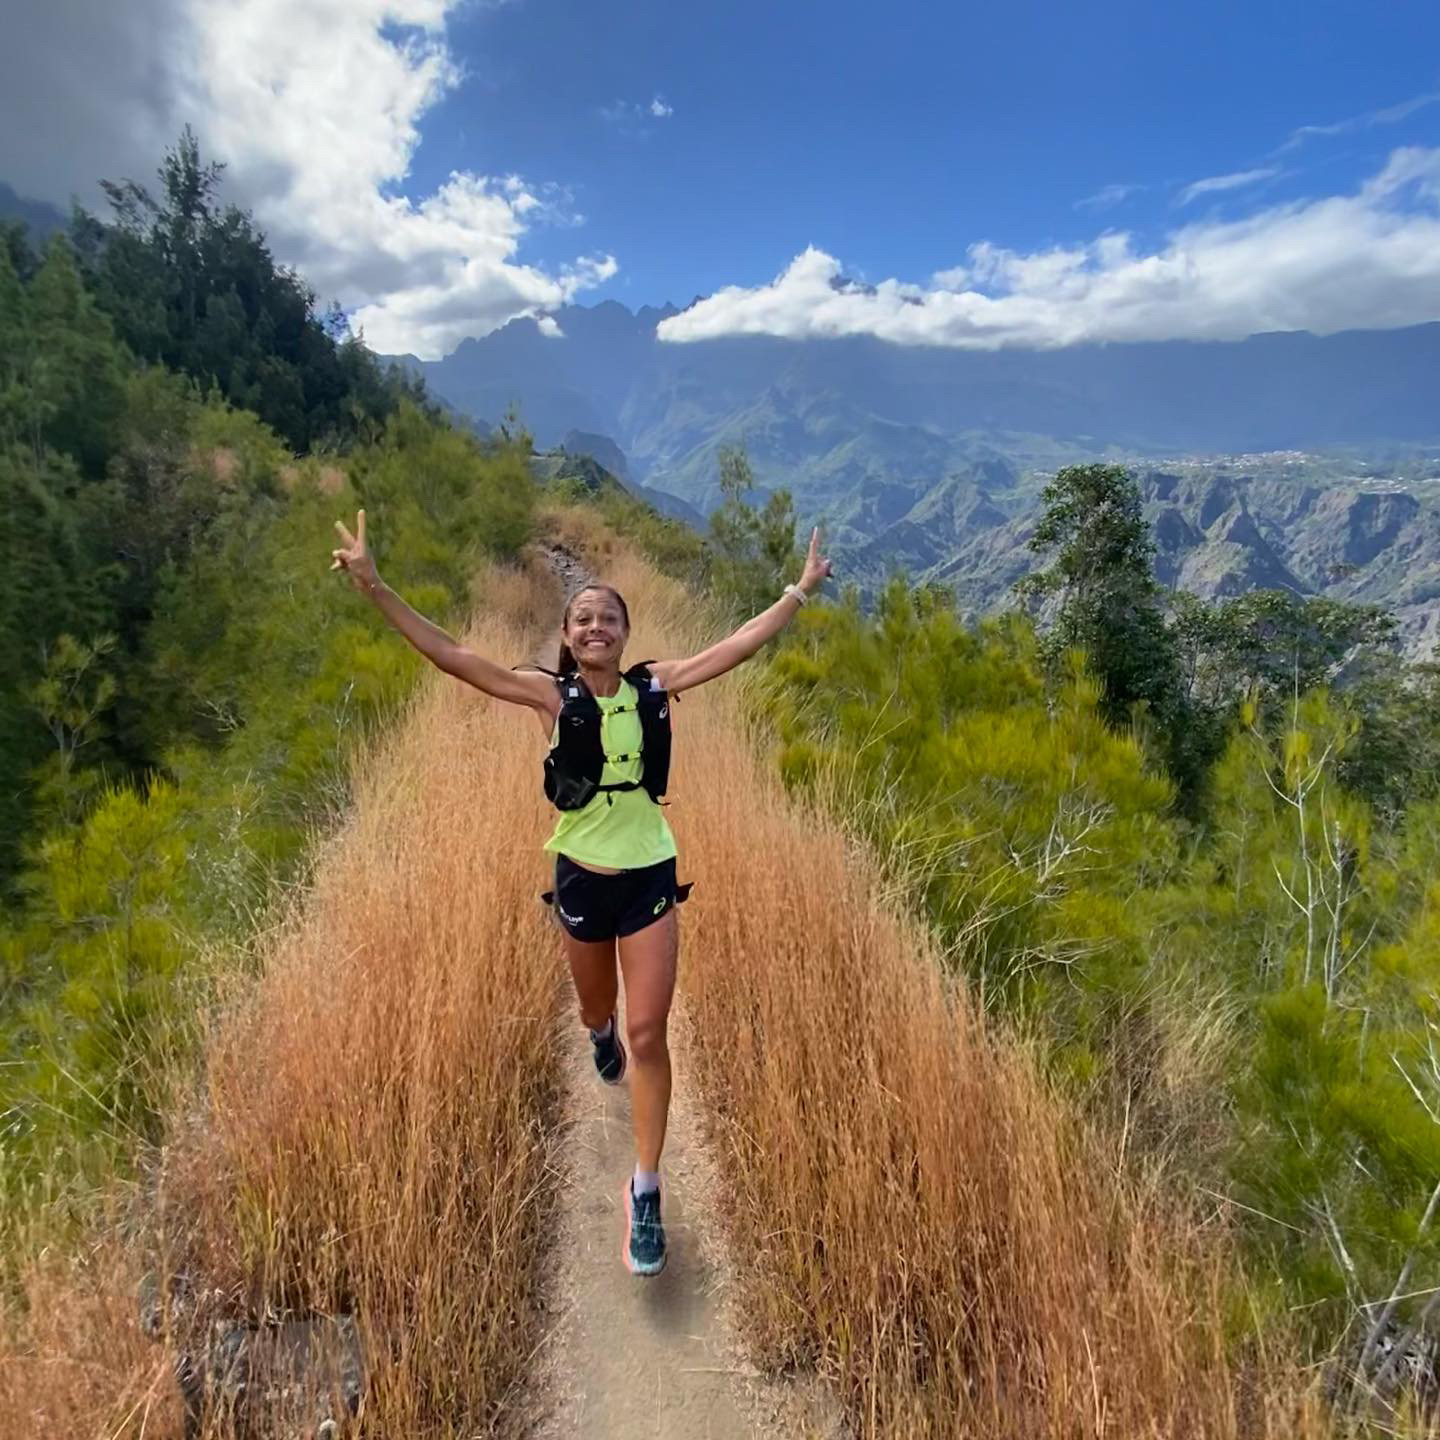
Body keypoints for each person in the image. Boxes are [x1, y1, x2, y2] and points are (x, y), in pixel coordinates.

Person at [329, 509, 832, 1275]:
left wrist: (797, 592)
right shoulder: (548, 696)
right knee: (600, 1015)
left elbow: (733, 647)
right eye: (584, 618)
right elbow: (455, 656)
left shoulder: (654, 685)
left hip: (650, 877)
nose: (597, 626)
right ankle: (596, 1033)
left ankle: (647, 1190)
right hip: (579, 880)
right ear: (568, 636)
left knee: (647, 1034)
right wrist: (377, 589)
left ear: (626, 634)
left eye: (609, 617)